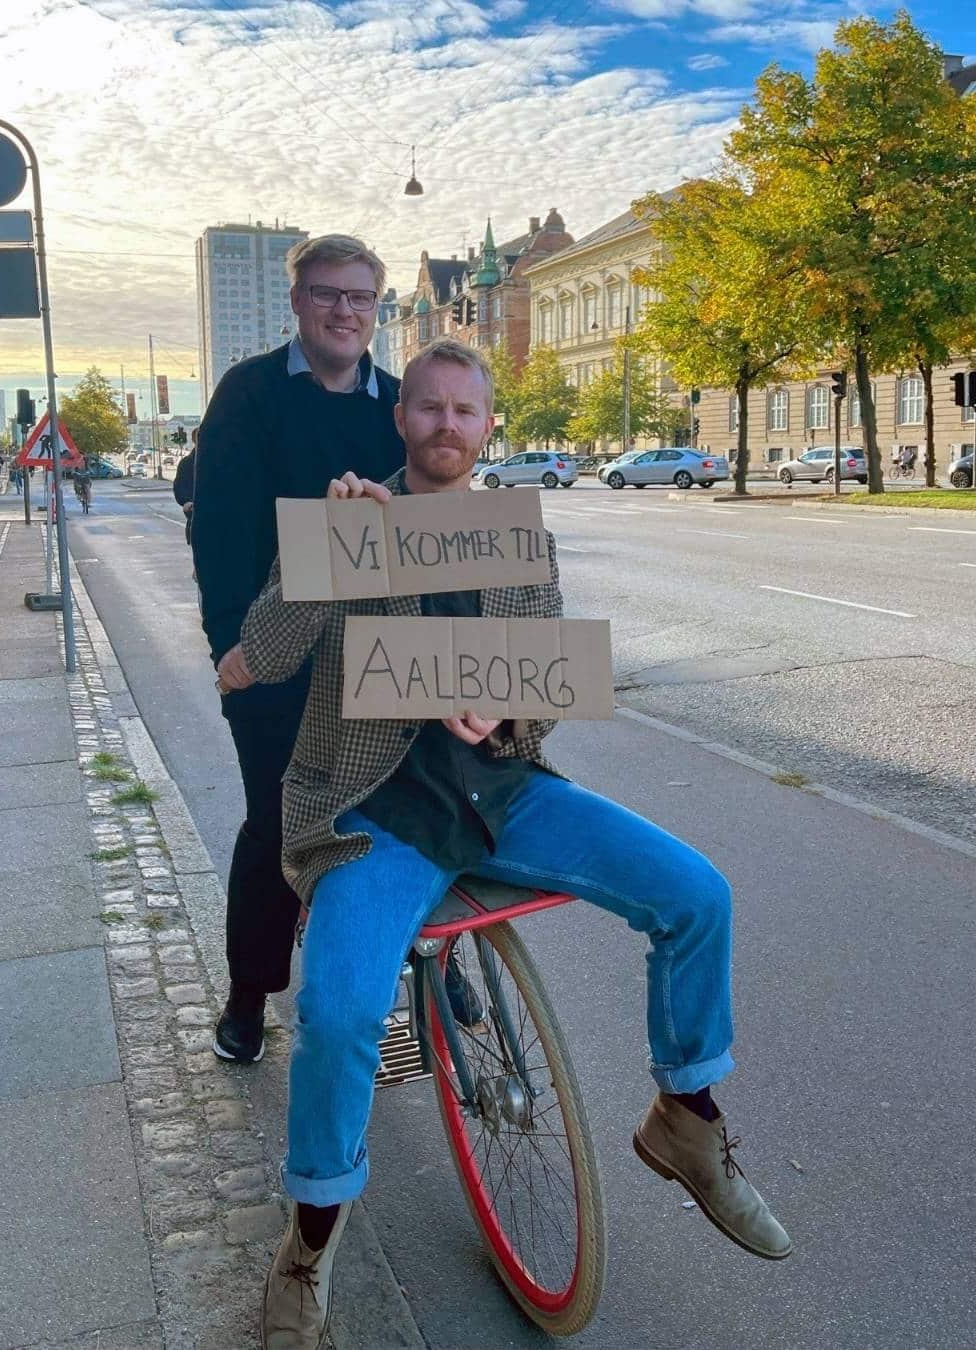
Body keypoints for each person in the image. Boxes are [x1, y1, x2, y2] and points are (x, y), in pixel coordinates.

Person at [238, 339, 792, 1348]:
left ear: (488, 426)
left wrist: (501, 713)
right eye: (428, 409)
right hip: (376, 813)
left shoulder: (514, 538)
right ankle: (310, 1239)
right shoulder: (349, 520)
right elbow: (268, 651)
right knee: (338, 1008)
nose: (446, 427)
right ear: (399, 419)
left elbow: (541, 687)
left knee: (698, 893)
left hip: (505, 795)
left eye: (465, 412)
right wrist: (324, 550)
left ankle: (687, 1118)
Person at [192, 235, 406, 1066]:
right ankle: (251, 993)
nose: (344, 311)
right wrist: (232, 650)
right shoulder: (249, 393)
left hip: (376, 655)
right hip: (274, 656)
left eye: (360, 298)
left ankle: (425, 957)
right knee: (279, 829)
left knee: (397, 816)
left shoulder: (396, 400)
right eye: (327, 294)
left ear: (376, 308)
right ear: (298, 302)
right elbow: (219, 530)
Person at [172, 426, 198, 545]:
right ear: (195, 440)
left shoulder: (219, 460)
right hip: (197, 519)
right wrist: (186, 502)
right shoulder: (186, 463)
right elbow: (179, 487)